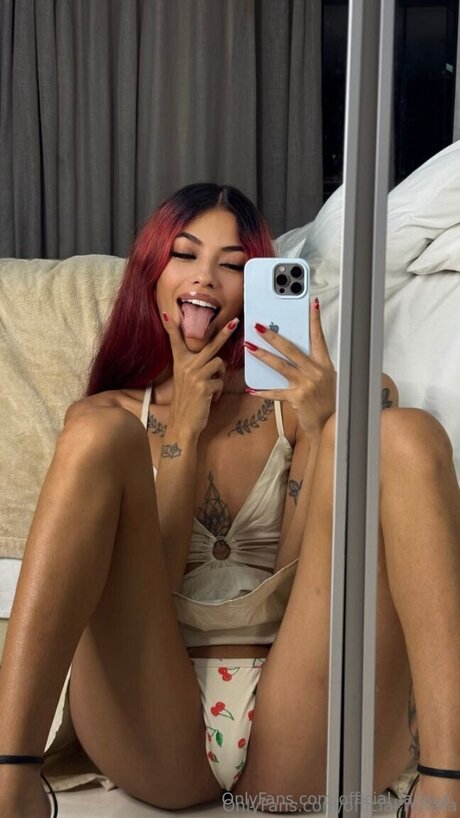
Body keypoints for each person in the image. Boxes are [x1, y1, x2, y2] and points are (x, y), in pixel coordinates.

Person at [0, 183, 459, 818]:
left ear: (258, 285)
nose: (205, 278)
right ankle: (11, 783)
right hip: (149, 713)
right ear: (153, 274)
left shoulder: (299, 405)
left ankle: (445, 785)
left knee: (400, 430)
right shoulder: (109, 417)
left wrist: (323, 431)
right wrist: (183, 432)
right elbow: (154, 588)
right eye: (185, 255)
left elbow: (304, 586)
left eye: (234, 265)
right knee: (94, 434)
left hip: (302, 708)